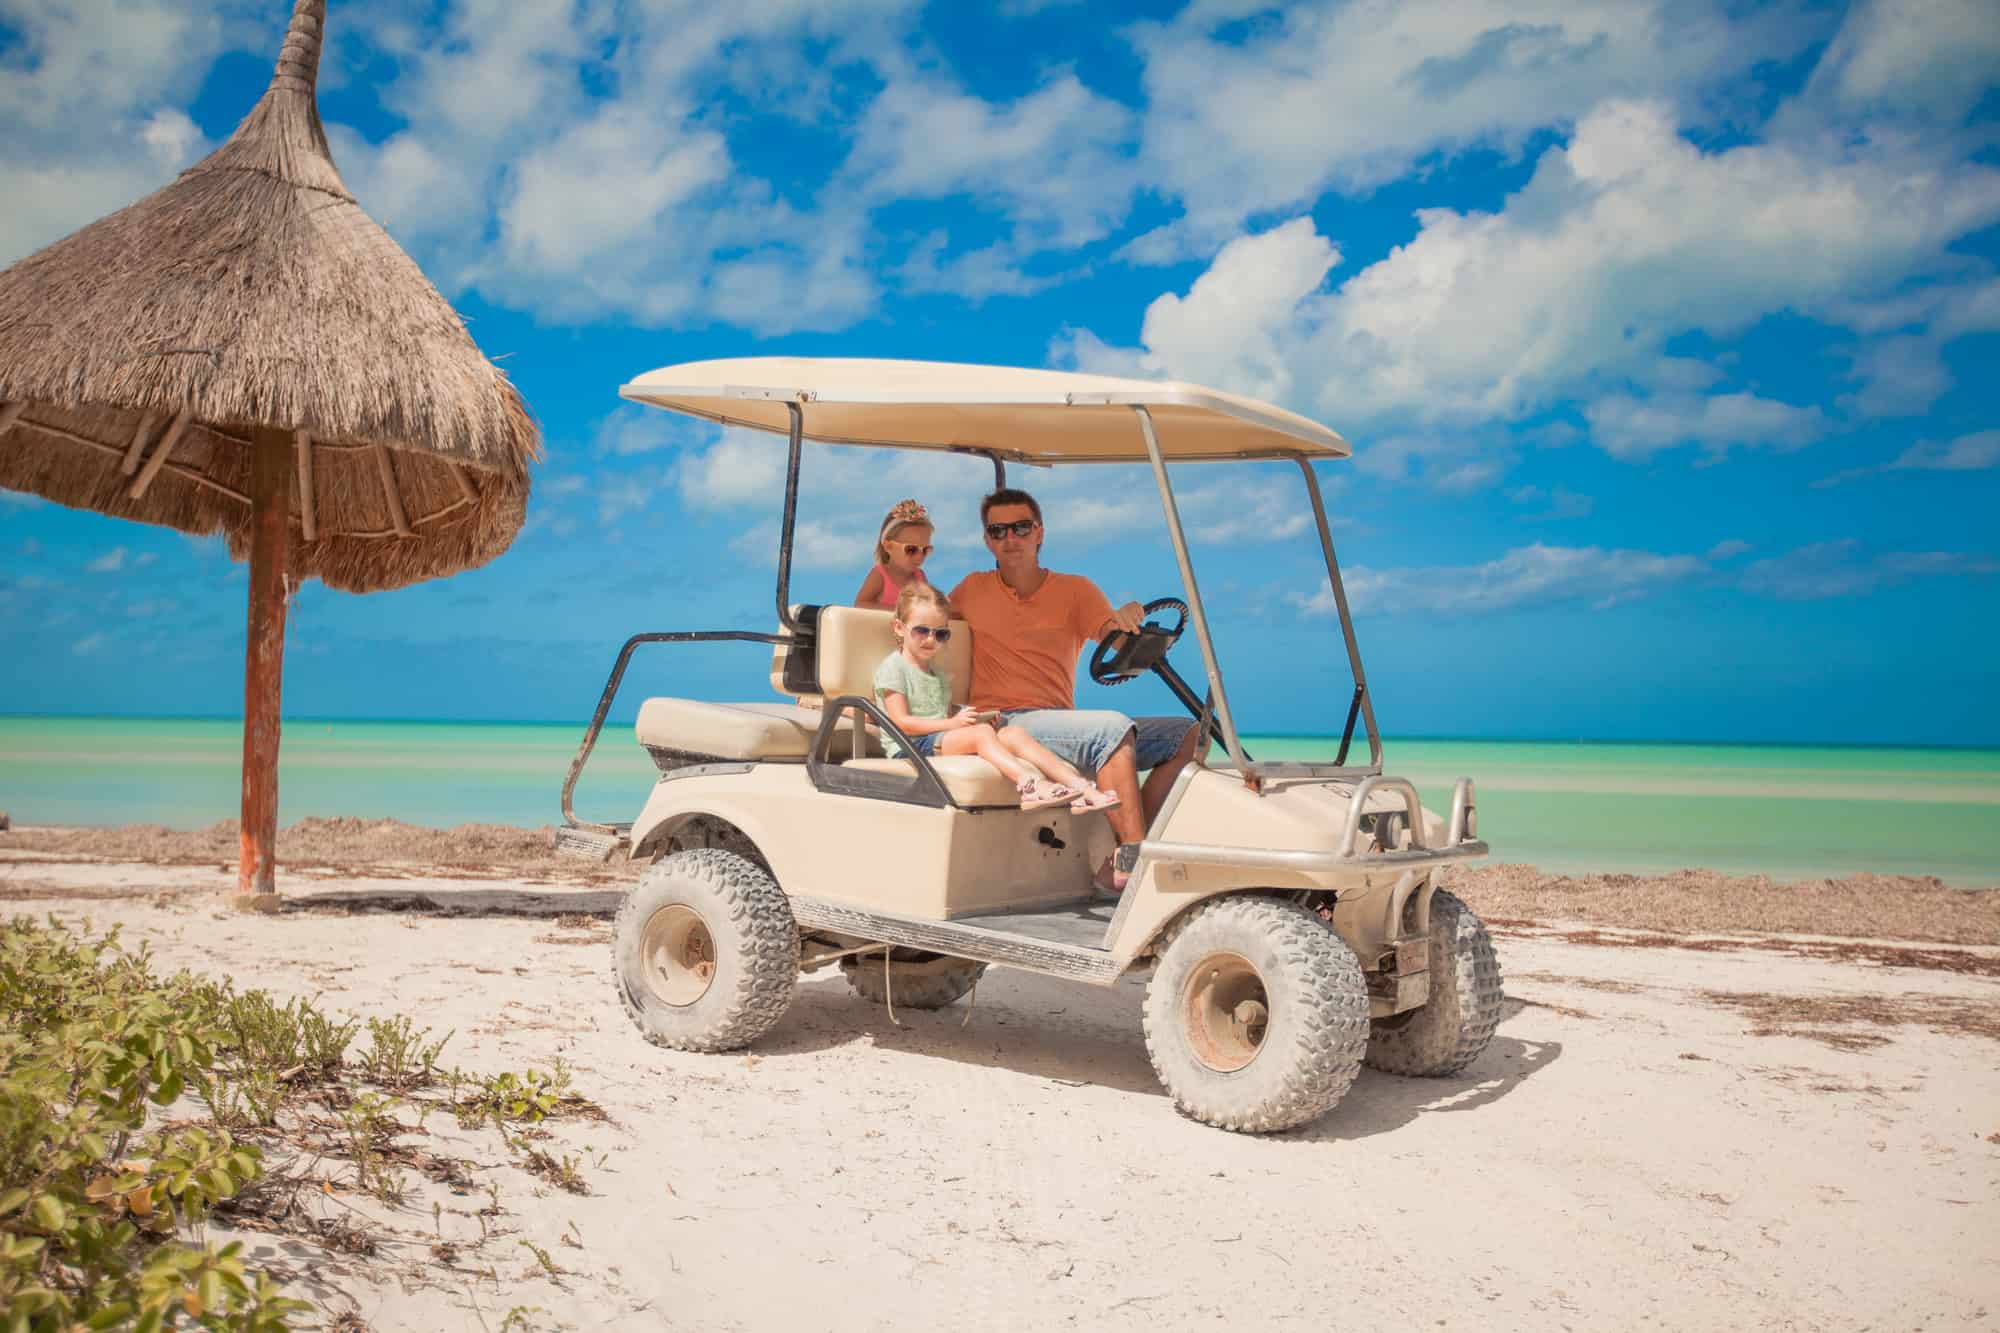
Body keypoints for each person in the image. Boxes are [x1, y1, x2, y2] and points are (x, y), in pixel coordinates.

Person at [947, 488, 1201, 891]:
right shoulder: (971, 590)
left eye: (1021, 528)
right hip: (1005, 722)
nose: (1010, 538)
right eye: (998, 531)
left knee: (1189, 734)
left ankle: (1129, 850)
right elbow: (919, 617)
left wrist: (1130, 616)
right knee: (1110, 728)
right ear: (987, 541)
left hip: (1056, 720)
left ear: (1039, 534)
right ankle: (1137, 869)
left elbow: (1116, 640)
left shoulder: (1075, 590)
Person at [874, 583, 1122, 815]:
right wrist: (954, 725)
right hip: (909, 747)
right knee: (981, 734)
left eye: (941, 635)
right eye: (921, 631)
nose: (930, 640)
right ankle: (1031, 785)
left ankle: (1082, 788)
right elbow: (901, 724)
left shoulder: (936, 673)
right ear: (899, 628)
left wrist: (970, 718)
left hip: (937, 739)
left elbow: (940, 714)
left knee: (1012, 733)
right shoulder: (894, 669)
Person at [853, 499, 936, 610]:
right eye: (911, 549)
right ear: (889, 546)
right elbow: (860, 604)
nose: (920, 556)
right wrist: (898, 612)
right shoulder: (880, 575)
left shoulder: (920, 577)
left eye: (925, 550)